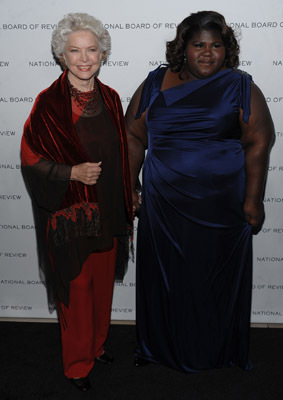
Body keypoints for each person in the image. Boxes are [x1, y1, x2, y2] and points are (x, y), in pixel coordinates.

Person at [126, 10, 274, 372]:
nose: (207, 53)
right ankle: (159, 347)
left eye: (216, 46)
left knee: (214, 278)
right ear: (184, 48)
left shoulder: (241, 87)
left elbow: (259, 141)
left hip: (221, 206)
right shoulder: (154, 84)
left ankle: (217, 351)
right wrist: (130, 185)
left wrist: (253, 199)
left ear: (227, 49)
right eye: (198, 45)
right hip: (164, 203)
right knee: (166, 277)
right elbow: (132, 135)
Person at [21, 13, 132, 391]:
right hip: (69, 215)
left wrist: (128, 195)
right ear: (62, 56)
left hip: (108, 211)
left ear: (102, 54)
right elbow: (31, 158)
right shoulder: (47, 103)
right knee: (77, 290)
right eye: (75, 51)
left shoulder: (113, 98)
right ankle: (77, 364)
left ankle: (97, 346)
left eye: (92, 51)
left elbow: (122, 155)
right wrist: (71, 174)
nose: (85, 59)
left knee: (102, 287)